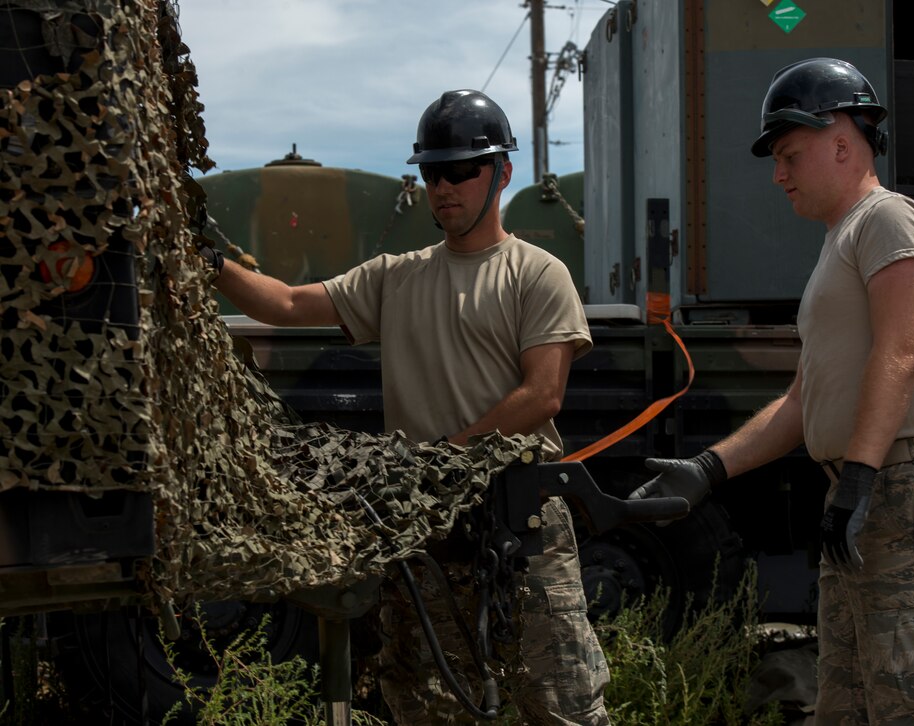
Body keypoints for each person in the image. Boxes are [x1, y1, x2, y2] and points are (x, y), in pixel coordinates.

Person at [202, 89, 611, 724]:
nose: (443, 186)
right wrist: (210, 262)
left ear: (502, 172)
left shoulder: (537, 273)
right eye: (431, 172)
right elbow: (283, 305)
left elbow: (542, 394)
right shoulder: (397, 275)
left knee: (558, 705)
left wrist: (442, 461)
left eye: (460, 170)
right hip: (427, 534)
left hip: (517, 523)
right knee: (427, 704)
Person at [629, 58, 914, 725]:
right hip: (865, 496)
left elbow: (903, 350)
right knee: (848, 708)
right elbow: (803, 401)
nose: (778, 175)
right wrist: (707, 470)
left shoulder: (890, 220)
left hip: (907, 491)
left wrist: (858, 476)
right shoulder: (841, 244)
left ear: (840, 141)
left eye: (789, 156)